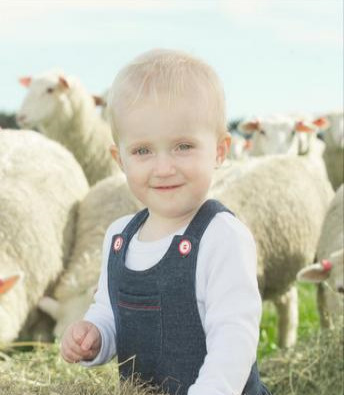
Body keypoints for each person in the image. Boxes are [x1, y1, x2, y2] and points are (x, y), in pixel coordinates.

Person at [60, 49, 271, 395]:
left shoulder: (222, 237)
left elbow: (235, 338)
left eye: (183, 146)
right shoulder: (119, 237)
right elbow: (111, 312)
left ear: (219, 151)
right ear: (120, 158)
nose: (163, 168)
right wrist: (95, 335)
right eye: (143, 151)